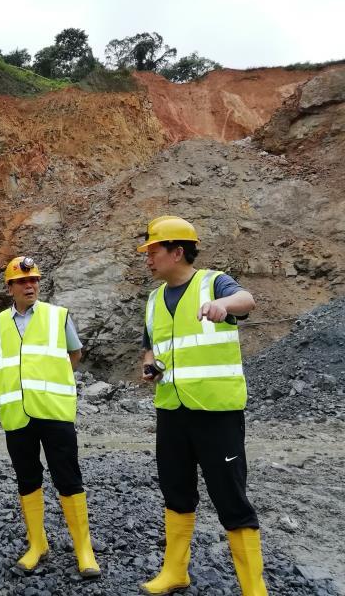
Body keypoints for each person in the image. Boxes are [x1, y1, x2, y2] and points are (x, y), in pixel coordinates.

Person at [137, 216, 267, 596]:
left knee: (231, 498)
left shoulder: (213, 283)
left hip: (216, 414)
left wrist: (222, 305)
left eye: (153, 251)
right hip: (172, 413)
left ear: (177, 252)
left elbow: (247, 300)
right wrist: (149, 366)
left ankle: (254, 589)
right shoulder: (154, 300)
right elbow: (149, 346)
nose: (148, 259)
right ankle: (175, 571)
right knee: (176, 491)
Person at [0, 256, 100, 579]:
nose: (30, 286)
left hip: (54, 411)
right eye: (22, 281)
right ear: (10, 287)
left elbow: (74, 354)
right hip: (16, 413)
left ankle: (84, 550)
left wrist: (55, 379)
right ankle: (37, 544)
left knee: (68, 477)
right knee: (27, 478)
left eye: (34, 280)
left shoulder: (57, 317)